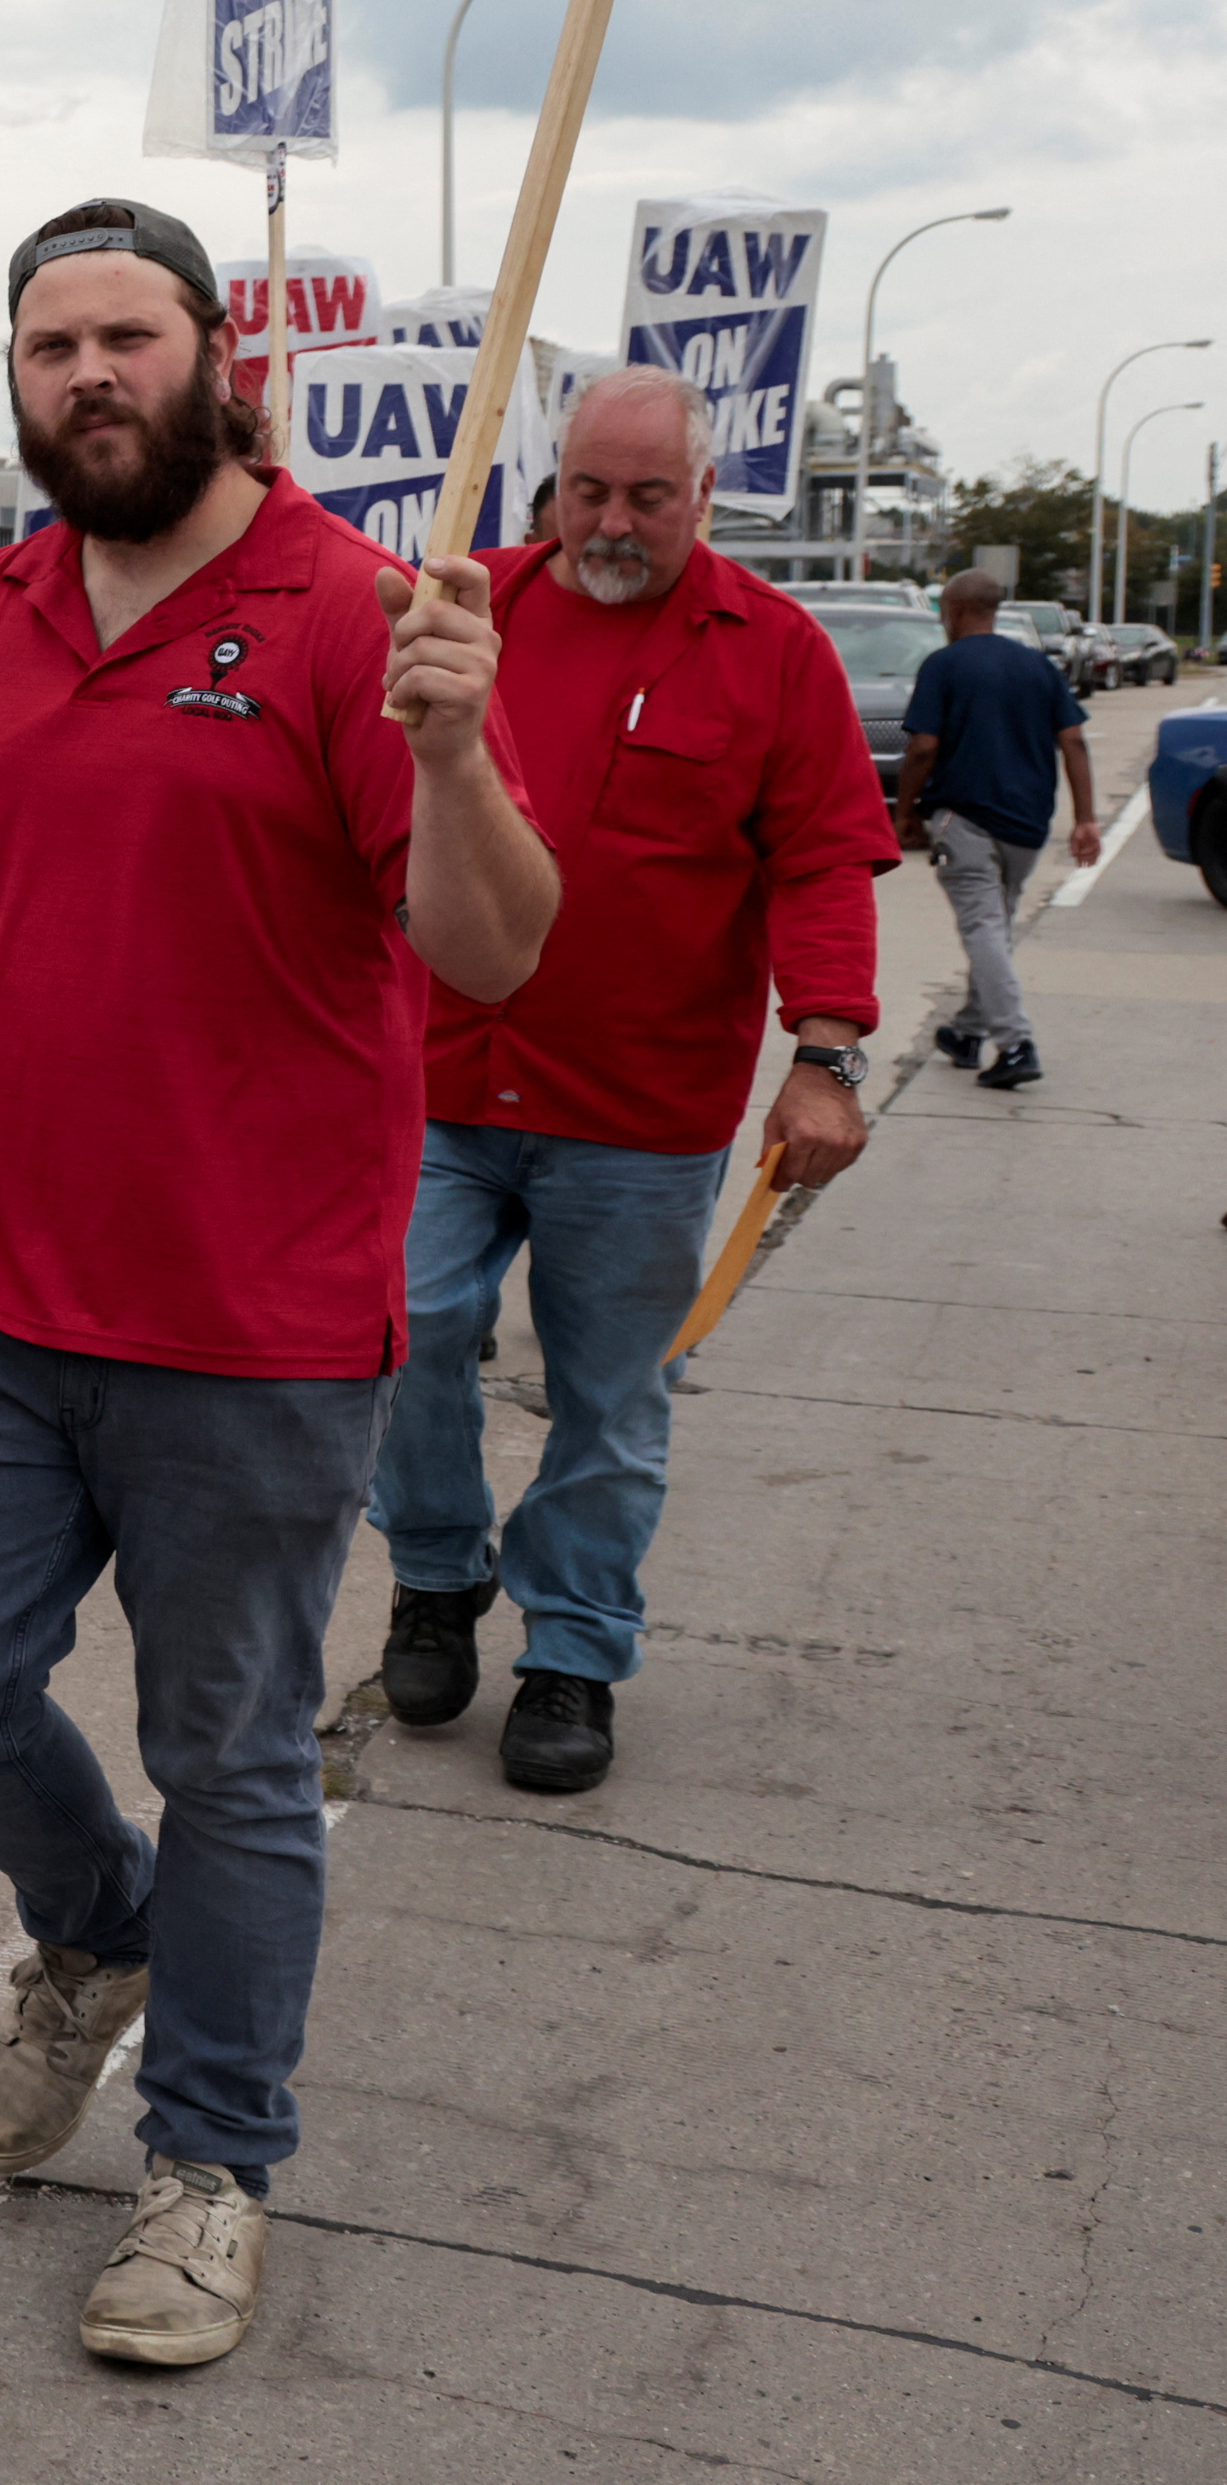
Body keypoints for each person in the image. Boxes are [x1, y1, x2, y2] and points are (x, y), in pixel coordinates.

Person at [0, 197, 555, 2374]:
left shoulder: (348, 609)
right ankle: (95, 1926)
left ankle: (209, 2163)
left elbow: (492, 945)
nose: (87, 377)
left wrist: (445, 750)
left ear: (218, 353)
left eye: (125, 336)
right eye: (49, 347)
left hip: (250, 1316)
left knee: (226, 1746)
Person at [375, 371, 891, 1795]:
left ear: (703, 497)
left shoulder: (773, 649)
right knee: (399, 1331)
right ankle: (434, 1569)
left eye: (646, 496)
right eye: (588, 489)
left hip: (638, 1113)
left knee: (610, 1396)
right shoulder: (469, 619)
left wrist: (827, 1056)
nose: (610, 520)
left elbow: (824, 861)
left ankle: (574, 1649)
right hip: (441, 1078)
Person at [896, 569, 1099, 1094]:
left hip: (965, 820)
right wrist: (1084, 819)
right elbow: (1074, 742)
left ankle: (1015, 1044)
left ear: (956, 609)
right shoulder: (1038, 666)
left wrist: (906, 810)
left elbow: (922, 747)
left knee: (984, 928)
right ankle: (967, 1033)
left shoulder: (943, 665)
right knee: (996, 925)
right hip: (1028, 824)